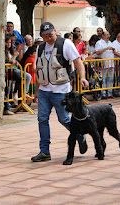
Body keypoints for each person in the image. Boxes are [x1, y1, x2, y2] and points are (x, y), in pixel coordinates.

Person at [31, 22, 89, 162]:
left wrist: (82, 78)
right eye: (45, 36)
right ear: (41, 37)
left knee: (64, 119)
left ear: (55, 31)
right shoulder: (41, 48)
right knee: (42, 119)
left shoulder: (66, 44)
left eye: (50, 34)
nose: (49, 38)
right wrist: (37, 91)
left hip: (61, 90)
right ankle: (44, 151)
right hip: (45, 91)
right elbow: (40, 69)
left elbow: (78, 62)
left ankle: (80, 136)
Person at [95, 31, 120, 99]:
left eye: (109, 35)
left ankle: (110, 93)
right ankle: (103, 93)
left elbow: (114, 52)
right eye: (107, 35)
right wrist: (106, 48)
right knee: (103, 79)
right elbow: (97, 52)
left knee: (110, 79)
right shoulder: (99, 43)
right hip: (103, 64)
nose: (108, 36)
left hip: (111, 64)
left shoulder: (110, 43)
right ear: (103, 36)